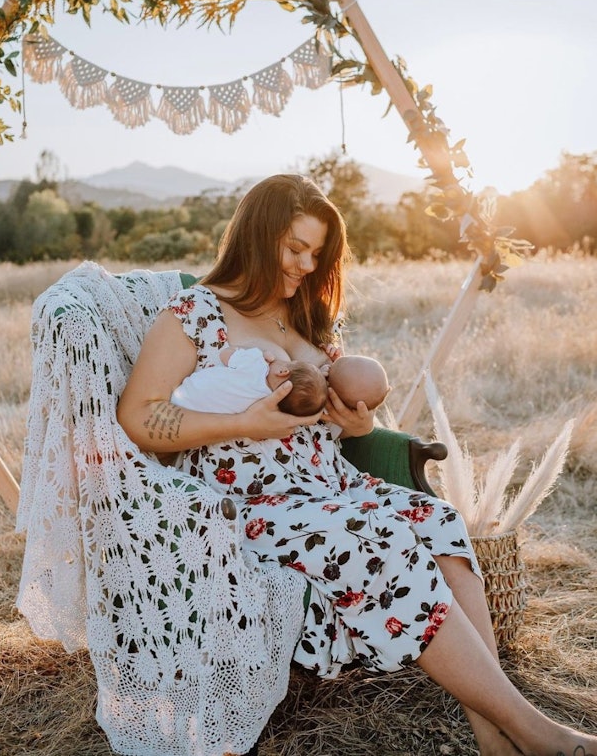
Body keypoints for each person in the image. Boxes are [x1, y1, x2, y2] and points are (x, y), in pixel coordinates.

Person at [117, 174, 597, 756]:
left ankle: (491, 735)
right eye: (295, 248)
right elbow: (138, 419)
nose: (304, 265)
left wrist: (361, 428)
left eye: (317, 254)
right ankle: (537, 734)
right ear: (256, 236)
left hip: (332, 484)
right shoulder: (196, 315)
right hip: (253, 502)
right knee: (383, 540)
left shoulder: (307, 315)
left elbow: (345, 409)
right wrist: (246, 423)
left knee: (438, 521)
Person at [170, 345, 329, 416]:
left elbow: (225, 354)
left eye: (289, 362)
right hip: (197, 415)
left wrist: (255, 353)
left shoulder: (256, 364)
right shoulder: (266, 405)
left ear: (282, 371)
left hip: (184, 393)